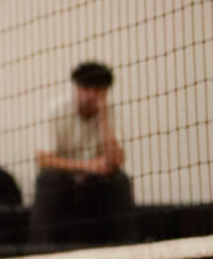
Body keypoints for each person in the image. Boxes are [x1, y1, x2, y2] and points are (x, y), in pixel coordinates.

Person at [31, 61, 135, 248]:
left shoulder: (111, 114)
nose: (90, 95)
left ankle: (124, 255)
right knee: (48, 179)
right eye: (86, 88)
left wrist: (103, 118)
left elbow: (116, 160)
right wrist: (87, 165)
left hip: (93, 182)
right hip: (62, 179)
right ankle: (40, 255)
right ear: (76, 88)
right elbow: (43, 159)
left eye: (97, 90)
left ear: (105, 92)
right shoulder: (56, 110)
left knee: (120, 181)